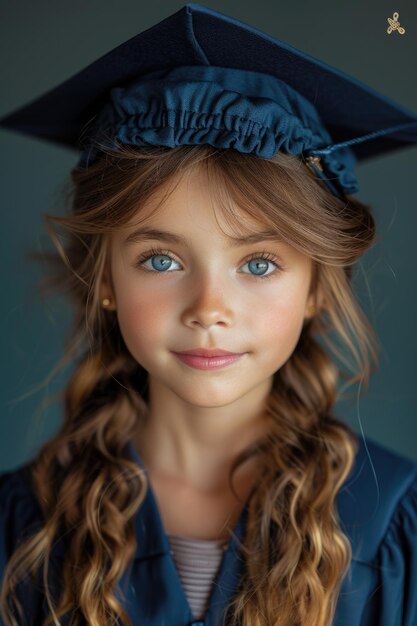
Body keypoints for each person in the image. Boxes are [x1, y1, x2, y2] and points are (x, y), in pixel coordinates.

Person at [0, 4, 417, 626]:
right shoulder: (23, 524)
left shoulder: (391, 524)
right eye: (162, 260)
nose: (209, 310)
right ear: (105, 279)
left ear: (316, 289)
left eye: (258, 264)